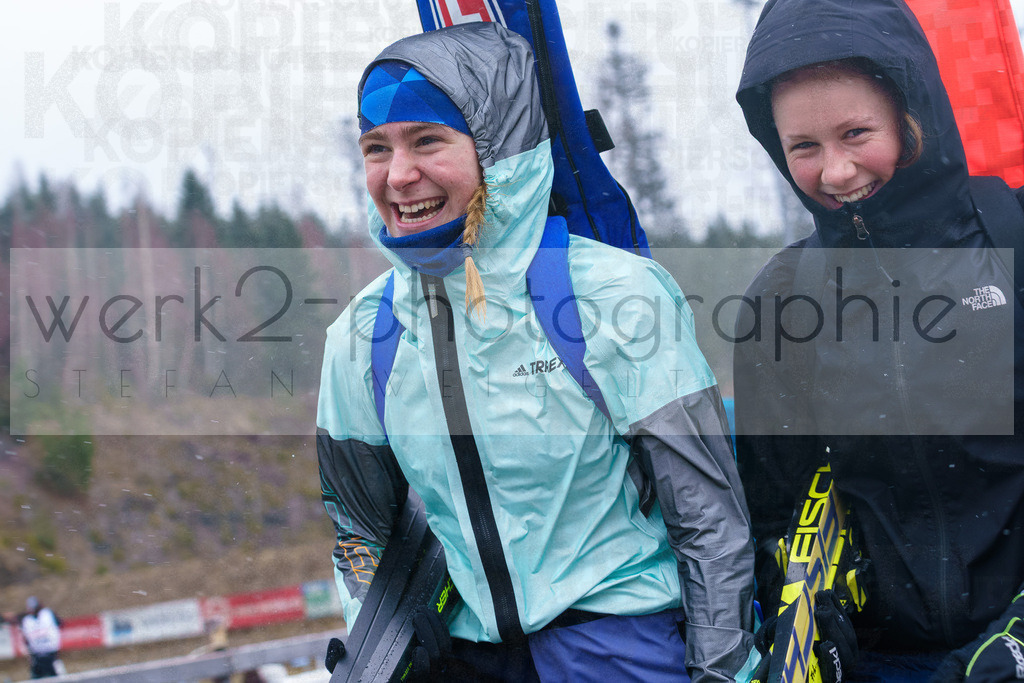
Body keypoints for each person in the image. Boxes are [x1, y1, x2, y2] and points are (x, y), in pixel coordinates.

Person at [316, 21, 755, 682]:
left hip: (625, 652)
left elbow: (709, 520)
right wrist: (399, 644)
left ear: (499, 153)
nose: (398, 175)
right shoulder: (363, 337)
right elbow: (358, 528)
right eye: (376, 148)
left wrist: (722, 672)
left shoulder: (613, 296)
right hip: (471, 663)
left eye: (428, 141)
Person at [732, 0, 1024, 680]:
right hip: (884, 662)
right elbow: (778, 507)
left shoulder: (1010, 240)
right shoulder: (783, 297)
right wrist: (807, 622)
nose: (835, 172)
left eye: (856, 132)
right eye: (803, 146)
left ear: (910, 112)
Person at [14, 597, 62, 678]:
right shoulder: (27, 620)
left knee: (57, 676)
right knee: (37, 677)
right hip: (37, 655)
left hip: (51, 652)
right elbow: (26, 638)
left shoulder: (47, 614)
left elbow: (59, 623)